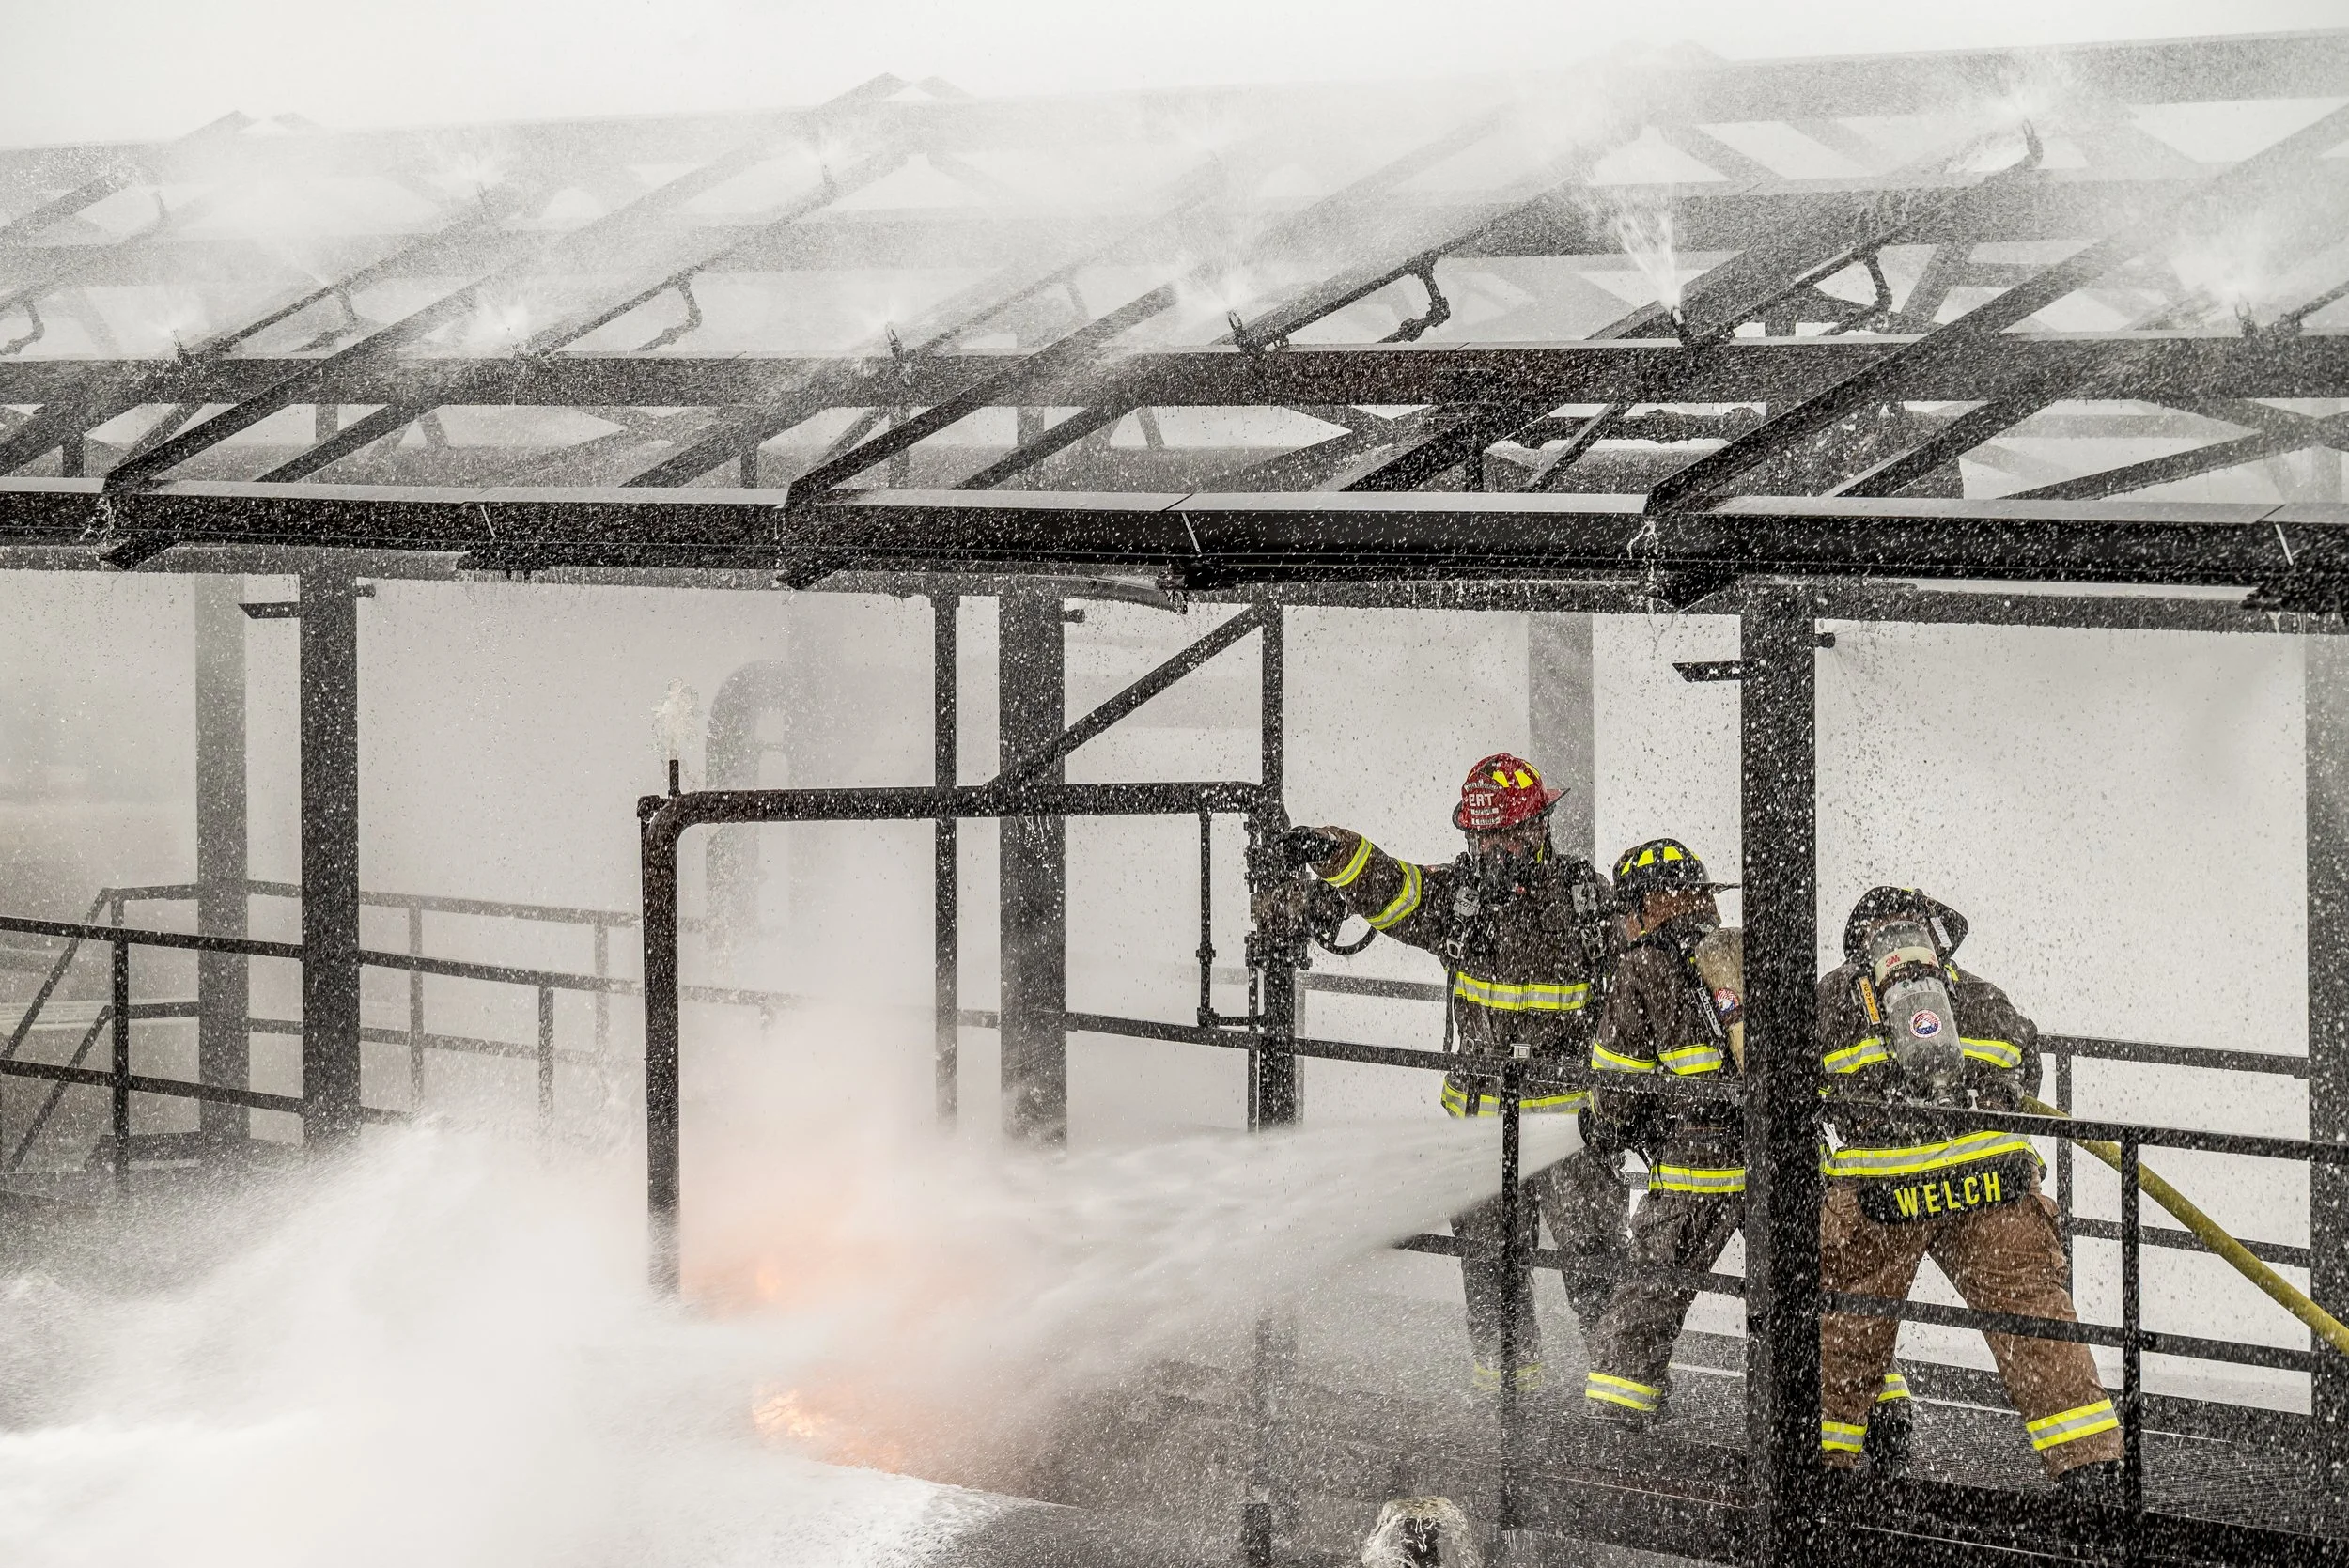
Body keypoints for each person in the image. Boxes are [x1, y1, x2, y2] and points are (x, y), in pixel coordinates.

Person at [1272, 753, 1626, 1395]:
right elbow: (1392, 886)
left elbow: (1636, 986)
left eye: (1502, 833)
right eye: (1478, 835)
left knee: (1598, 1266)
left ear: (1538, 827)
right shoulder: (1457, 902)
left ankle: (1624, 1401)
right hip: (1478, 1131)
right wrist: (1333, 849)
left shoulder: (1584, 900)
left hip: (1569, 1131)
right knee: (1492, 1278)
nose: (1489, 848)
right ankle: (1508, 1406)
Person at [1815, 887, 2122, 1491]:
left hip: (1884, 1195)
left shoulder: (1831, 1002)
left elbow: (1798, 1087)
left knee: (1846, 1330)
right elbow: (2024, 1067)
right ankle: (2092, 1470)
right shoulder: (1982, 997)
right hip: (1993, 1184)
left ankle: (1829, 1472)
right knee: (2035, 1322)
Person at [1579, 838, 1753, 1430]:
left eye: (1627, 912)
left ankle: (1614, 1435)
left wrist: (1599, 1126)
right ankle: (1870, 1418)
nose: (1623, 926)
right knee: (1827, 1297)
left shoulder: (1643, 964)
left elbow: (1620, 1085)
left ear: (1649, 906)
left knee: (1644, 1302)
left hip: (1699, 1167)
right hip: (1783, 1156)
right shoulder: (1749, 952)